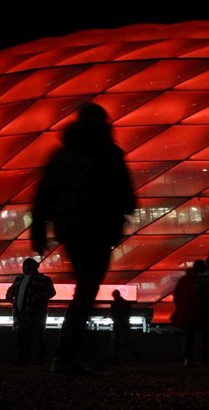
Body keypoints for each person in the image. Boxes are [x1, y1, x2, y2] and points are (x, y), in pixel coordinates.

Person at [31, 102, 136, 375]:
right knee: (86, 290)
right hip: (99, 227)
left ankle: (69, 353)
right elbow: (125, 194)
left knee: (84, 288)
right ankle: (67, 354)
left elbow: (43, 193)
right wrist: (123, 209)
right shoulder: (109, 153)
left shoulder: (62, 154)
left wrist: (39, 228)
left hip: (69, 228)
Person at [6, 258, 57, 365]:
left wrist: (36, 299)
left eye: (27, 266)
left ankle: (35, 358)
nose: (24, 268)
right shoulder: (19, 278)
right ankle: (25, 357)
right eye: (24, 266)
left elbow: (51, 292)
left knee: (35, 335)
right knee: (22, 335)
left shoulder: (43, 279)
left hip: (34, 313)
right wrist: (10, 295)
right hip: (21, 312)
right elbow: (11, 289)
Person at [170, 260, 205, 366]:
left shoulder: (184, 280)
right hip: (200, 312)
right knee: (205, 335)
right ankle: (204, 357)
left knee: (189, 336)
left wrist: (180, 307)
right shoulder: (202, 280)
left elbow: (176, 296)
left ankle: (187, 358)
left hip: (186, 312)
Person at [109, 289, 141, 364]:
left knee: (115, 342)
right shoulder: (126, 303)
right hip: (125, 323)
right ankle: (137, 356)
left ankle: (115, 358)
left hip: (118, 324)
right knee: (127, 341)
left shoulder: (114, 304)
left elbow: (113, 314)